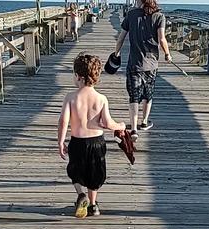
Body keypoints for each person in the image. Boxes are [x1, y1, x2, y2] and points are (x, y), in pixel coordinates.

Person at [58, 54, 126, 218]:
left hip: (77, 142)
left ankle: (81, 194)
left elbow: (63, 121)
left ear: (77, 77)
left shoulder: (71, 98)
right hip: (96, 142)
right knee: (95, 173)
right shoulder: (101, 99)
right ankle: (93, 205)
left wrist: (61, 142)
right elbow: (108, 123)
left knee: (75, 171)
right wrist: (121, 126)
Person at [113, 0, 171, 139]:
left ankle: (133, 129)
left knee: (134, 96)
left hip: (134, 63)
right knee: (148, 94)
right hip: (151, 64)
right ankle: (144, 122)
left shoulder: (131, 15)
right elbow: (162, 39)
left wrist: (116, 53)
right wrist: (167, 54)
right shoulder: (159, 16)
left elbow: (120, 38)